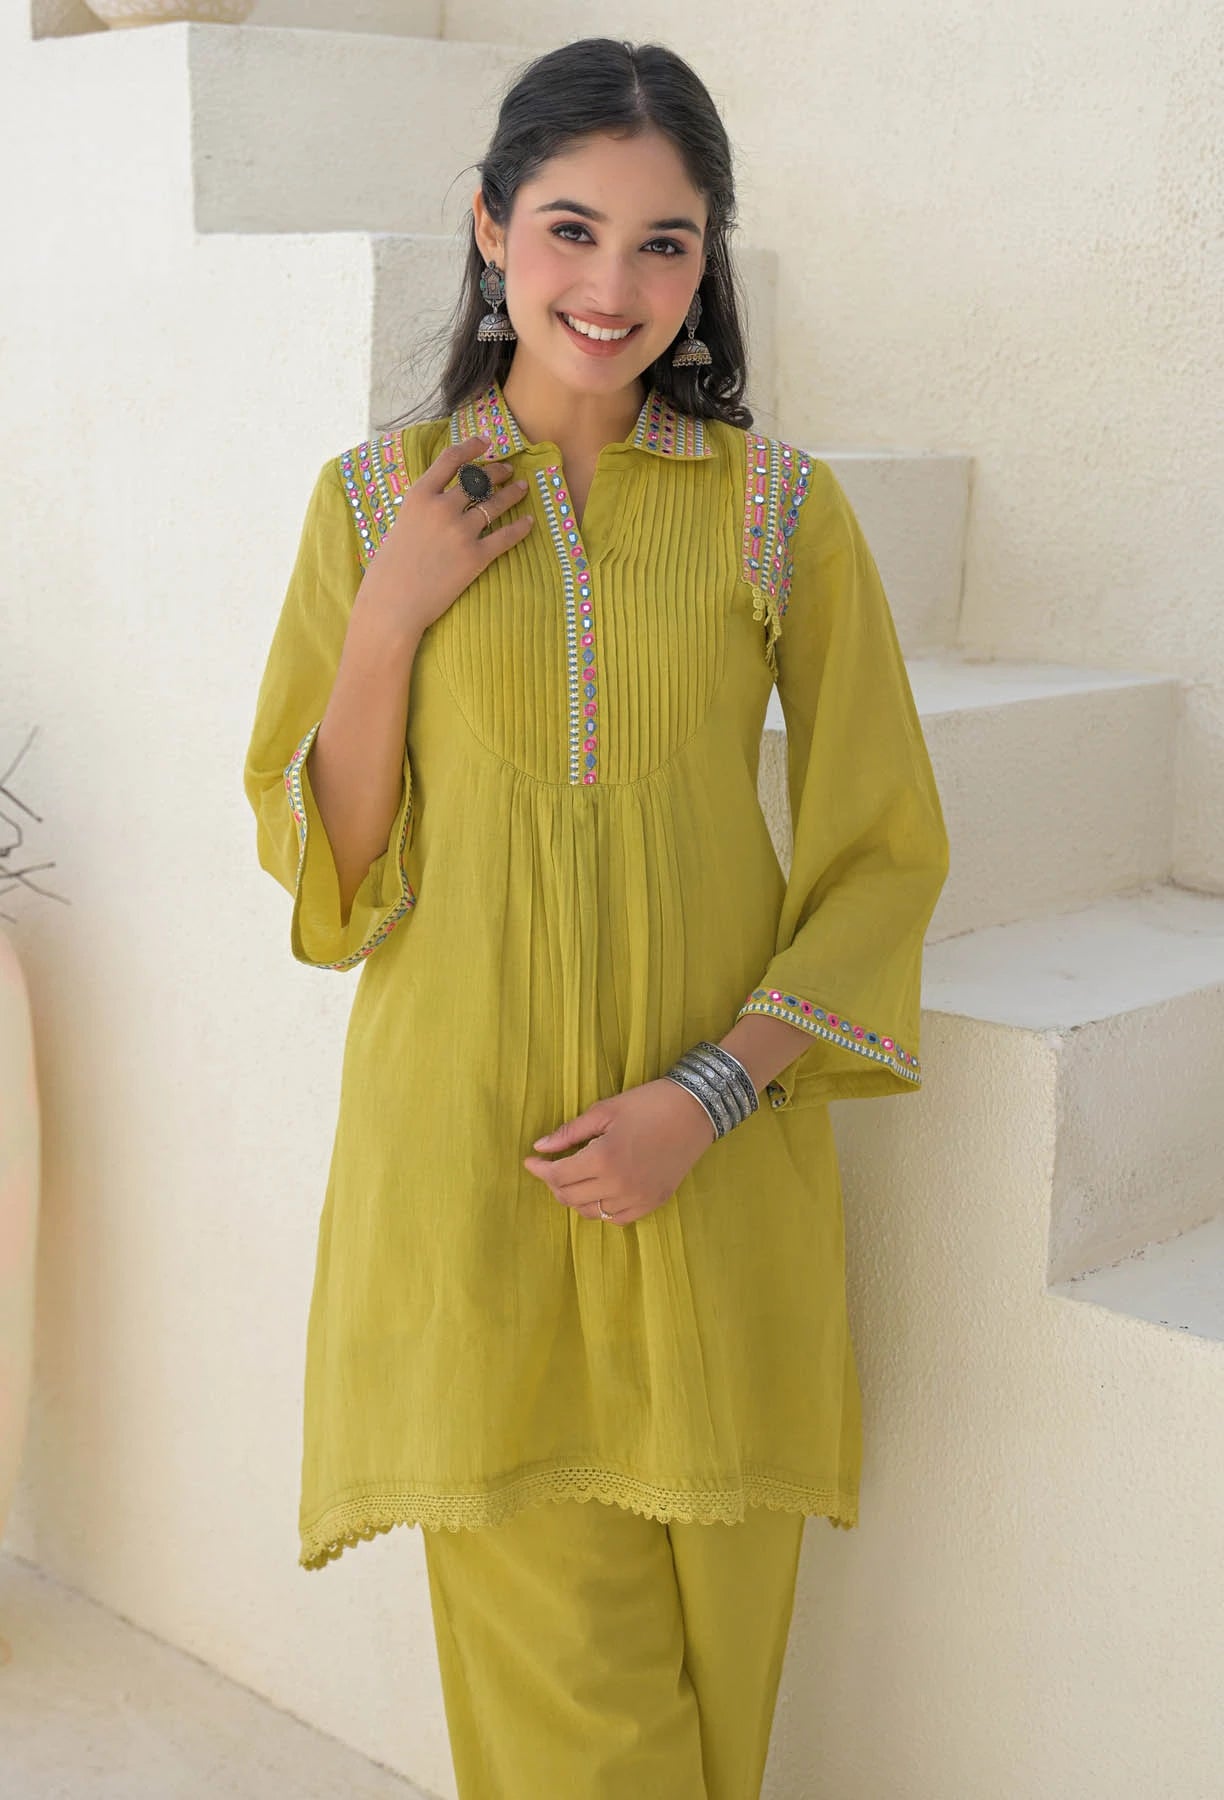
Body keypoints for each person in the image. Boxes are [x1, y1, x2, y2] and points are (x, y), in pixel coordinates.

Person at [242, 35, 949, 1800]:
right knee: (589, 1753)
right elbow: (333, 884)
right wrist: (391, 615)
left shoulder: (781, 513)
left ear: (708, 265)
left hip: (715, 1192)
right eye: (571, 228)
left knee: (717, 1728)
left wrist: (706, 1097)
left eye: (664, 243)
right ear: (491, 228)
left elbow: (881, 853)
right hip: (475, 1200)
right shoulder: (371, 503)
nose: (613, 286)